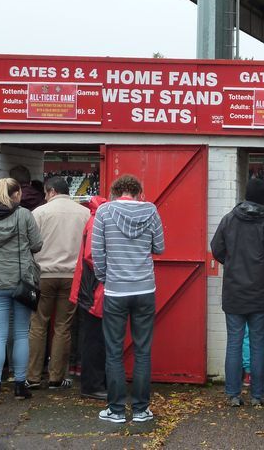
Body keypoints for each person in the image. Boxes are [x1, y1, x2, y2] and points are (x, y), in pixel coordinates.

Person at [93, 175, 164, 424]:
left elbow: (97, 254)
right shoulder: (151, 211)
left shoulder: (103, 212)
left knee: (114, 352)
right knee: (143, 350)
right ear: (138, 192)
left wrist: (106, 278)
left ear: (115, 192)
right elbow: (160, 247)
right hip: (145, 289)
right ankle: (142, 409)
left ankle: (116, 410)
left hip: (115, 291)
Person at [211, 177, 264, 407]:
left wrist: (232, 263)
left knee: (234, 342)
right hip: (260, 292)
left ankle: (233, 394)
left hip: (234, 291)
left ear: (245, 195)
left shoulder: (229, 220)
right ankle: (257, 395)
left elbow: (216, 249)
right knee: (258, 342)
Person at [0, 178, 43, 405]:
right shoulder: (23, 215)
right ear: (17, 194)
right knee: (21, 333)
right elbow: (37, 244)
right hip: (21, 283)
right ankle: (20, 387)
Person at [26, 176, 90, 390]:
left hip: (44, 275)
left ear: (51, 191)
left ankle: (33, 376)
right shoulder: (84, 213)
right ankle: (56, 377)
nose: (45, 196)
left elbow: (30, 244)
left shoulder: (39, 213)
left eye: (45, 193)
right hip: (72, 276)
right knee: (63, 327)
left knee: (38, 324)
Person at [69, 195, 109, 400]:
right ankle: (92, 385)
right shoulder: (98, 220)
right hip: (93, 289)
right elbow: (91, 256)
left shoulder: (95, 217)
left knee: (94, 336)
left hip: (89, 286)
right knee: (94, 338)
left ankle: (94, 383)